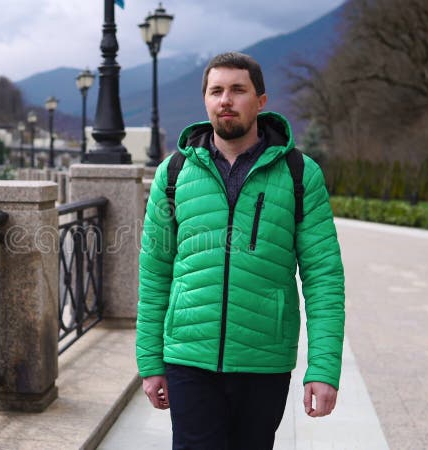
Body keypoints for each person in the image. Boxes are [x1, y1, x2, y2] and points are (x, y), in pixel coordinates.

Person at [136, 51, 345, 449]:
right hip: (189, 357)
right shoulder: (174, 173)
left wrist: (323, 367)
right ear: (206, 101)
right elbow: (154, 270)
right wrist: (150, 361)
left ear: (261, 101)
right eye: (216, 91)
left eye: (237, 90)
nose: (225, 100)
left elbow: (324, 277)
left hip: (263, 360)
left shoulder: (300, 173)